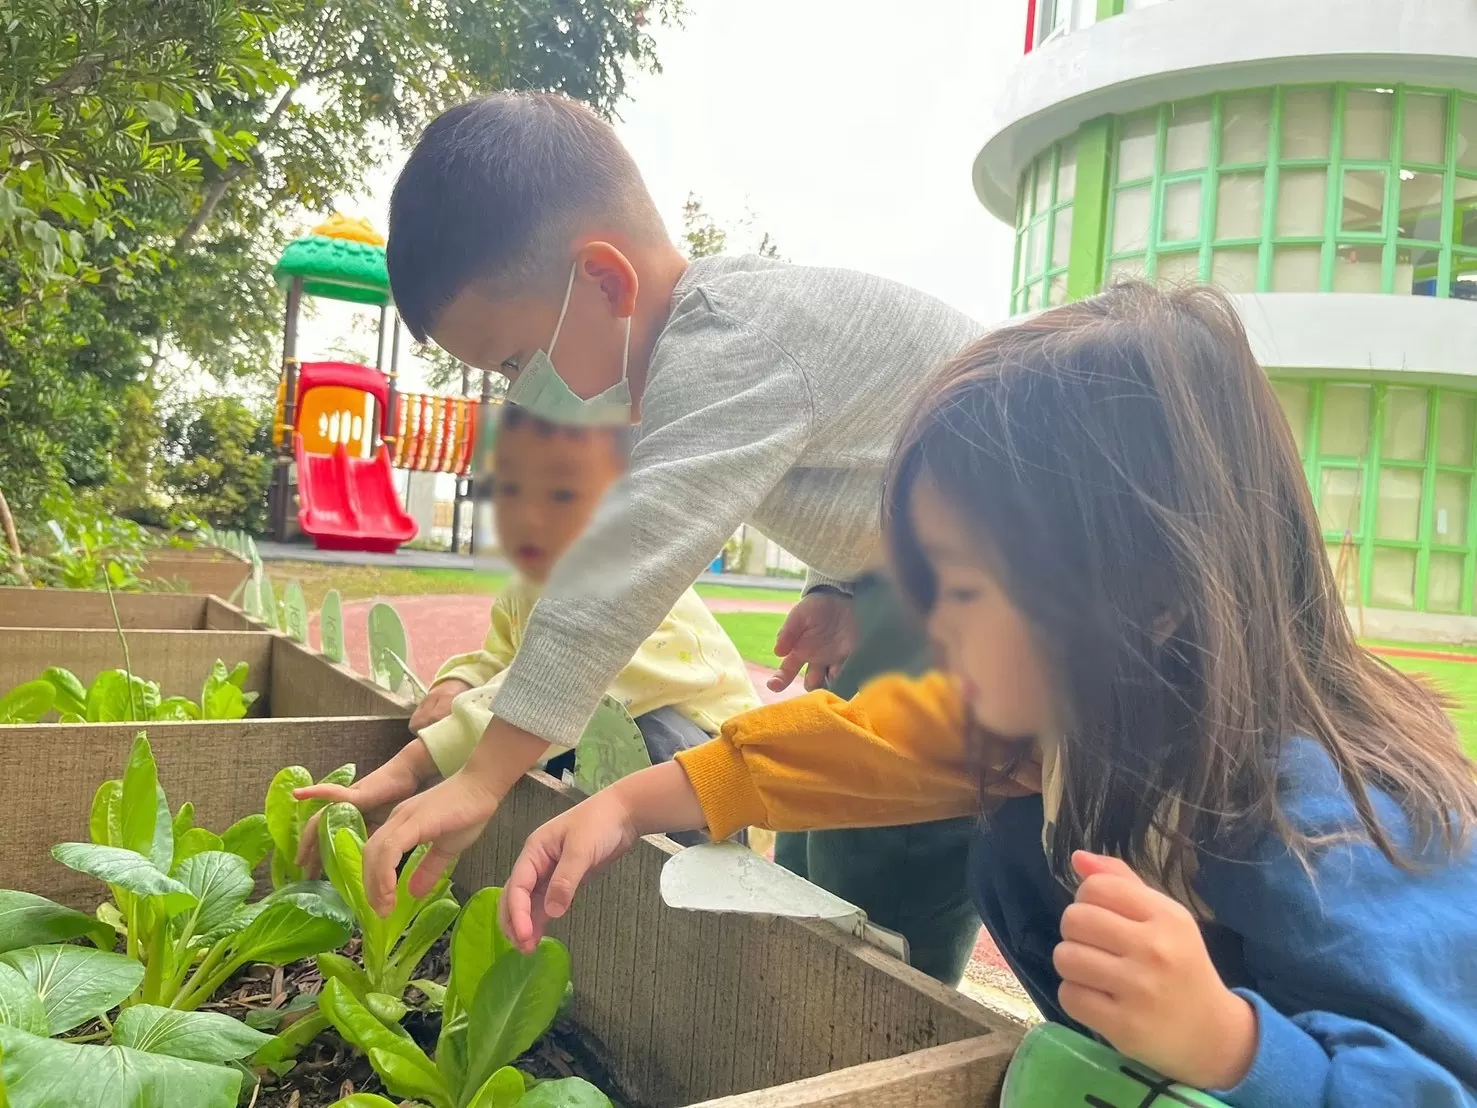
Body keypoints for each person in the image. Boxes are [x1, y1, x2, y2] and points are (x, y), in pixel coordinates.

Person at [497, 284, 1477, 1106]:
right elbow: (862, 746)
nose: (930, 620)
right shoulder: (1084, 718)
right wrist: (626, 802)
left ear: (1149, 598)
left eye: (960, 587)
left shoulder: (1330, 824)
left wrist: (1228, 1046)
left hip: (1310, 1069)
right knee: (1018, 842)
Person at [338, 90, 988, 983]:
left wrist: (483, 778)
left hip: (1010, 614)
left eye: (514, 364)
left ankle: (886, 1037)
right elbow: (866, 460)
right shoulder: (726, 331)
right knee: (816, 852)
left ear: (604, 281)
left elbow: (621, 572)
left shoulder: (725, 340)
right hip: (919, 591)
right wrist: (836, 588)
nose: (517, 394)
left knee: (887, 882)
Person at [296, 400, 759, 850]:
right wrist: (463, 678)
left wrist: (419, 759)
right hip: (610, 768)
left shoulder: (641, 583)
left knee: (636, 732)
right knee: (529, 748)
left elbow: (578, 676)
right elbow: (503, 653)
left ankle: (663, 903)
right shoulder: (527, 584)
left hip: (713, 779)